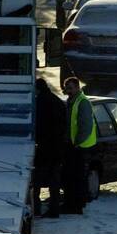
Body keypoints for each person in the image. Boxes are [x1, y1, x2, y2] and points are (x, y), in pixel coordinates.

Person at [61, 76, 96, 213]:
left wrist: (76, 143)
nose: (67, 91)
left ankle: (77, 206)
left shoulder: (82, 102)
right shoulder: (71, 101)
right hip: (74, 145)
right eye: (66, 88)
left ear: (77, 87)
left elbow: (85, 126)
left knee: (78, 177)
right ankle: (73, 204)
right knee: (72, 176)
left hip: (81, 147)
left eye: (70, 88)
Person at [34, 78, 67, 217]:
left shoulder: (39, 103)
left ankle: (36, 207)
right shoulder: (57, 101)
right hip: (57, 147)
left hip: (44, 147)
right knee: (54, 180)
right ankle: (54, 209)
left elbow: (39, 125)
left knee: (36, 180)